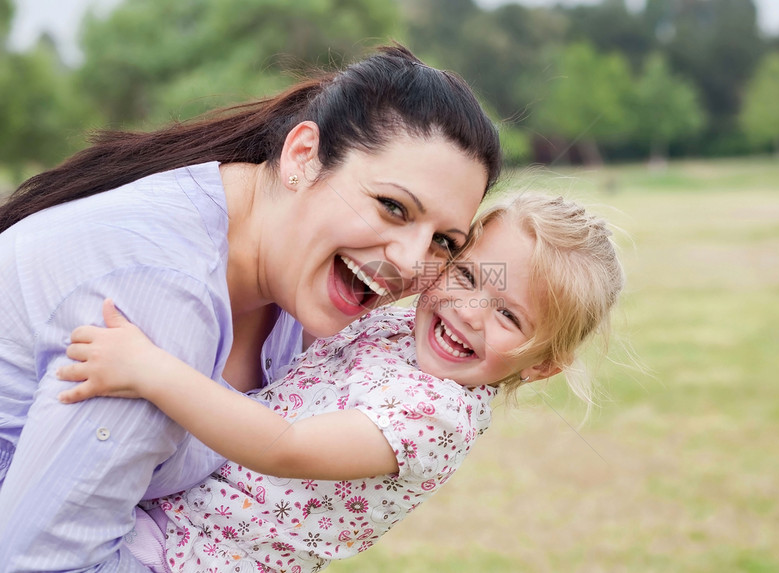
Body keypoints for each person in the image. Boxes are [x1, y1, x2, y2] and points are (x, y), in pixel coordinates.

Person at [0, 44, 501, 571]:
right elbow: (41, 562)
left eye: (444, 241)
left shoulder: (293, 282)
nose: (409, 261)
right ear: (302, 157)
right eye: (392, 207)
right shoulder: (162, 297)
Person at [56, 194, 625, 572]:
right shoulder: (416, 322)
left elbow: (286, 447)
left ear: (543, 364)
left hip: (191, 557)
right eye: (469, 274)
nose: (470, 311)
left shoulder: (436, 416)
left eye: (509, 316)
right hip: (166, 508)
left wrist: (153, 371)